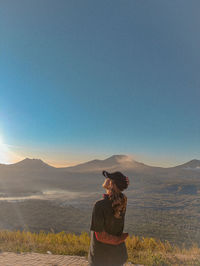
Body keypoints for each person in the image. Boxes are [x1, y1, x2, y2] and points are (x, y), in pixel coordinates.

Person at [88, 170, 130, 266]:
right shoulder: (123, 201)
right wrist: (120, 239)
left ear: (112, 184)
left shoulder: (100, 205)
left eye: (108, 178)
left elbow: (101, 237)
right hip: (118, 255)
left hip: (101, 257)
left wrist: (118, 240)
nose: (106, 179)